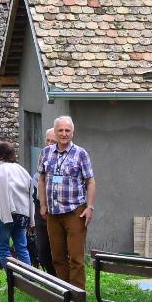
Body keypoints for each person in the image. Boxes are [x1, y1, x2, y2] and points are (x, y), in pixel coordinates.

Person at [38, 115, 96, 288]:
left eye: (67, 130)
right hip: (53, 213)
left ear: (72, 132)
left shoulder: (80, 153)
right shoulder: (46, 153)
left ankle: (78, 293)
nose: (64, 134)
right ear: (55, 132)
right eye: (60, 130)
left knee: (76, 257)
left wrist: (90, 207)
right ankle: (64, 291)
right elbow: (41, 179)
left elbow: (90, 181)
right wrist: (42, 205)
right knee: (57, 256)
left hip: (74, 211)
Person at [0, 141, 33, 266]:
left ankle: (13, 280)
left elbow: (2, 192)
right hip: (23, 214)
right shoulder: (22, 170)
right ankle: (28, 280)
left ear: (0, 154)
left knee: (2, 248)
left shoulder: (0, 169)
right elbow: (31, 192)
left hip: (7, 213)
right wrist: (31, 218)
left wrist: (5, 215)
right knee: (22, 248)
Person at [30, 128, 57, 273]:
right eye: (48, 140)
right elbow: (38, 177)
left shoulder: (66, 157)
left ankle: (61, 281)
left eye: (53, 141)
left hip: (56, 207)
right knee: (42, 248)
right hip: (40, 204)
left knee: (57, 249)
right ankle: (51, 277)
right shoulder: (43, 155)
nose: (49, 144)